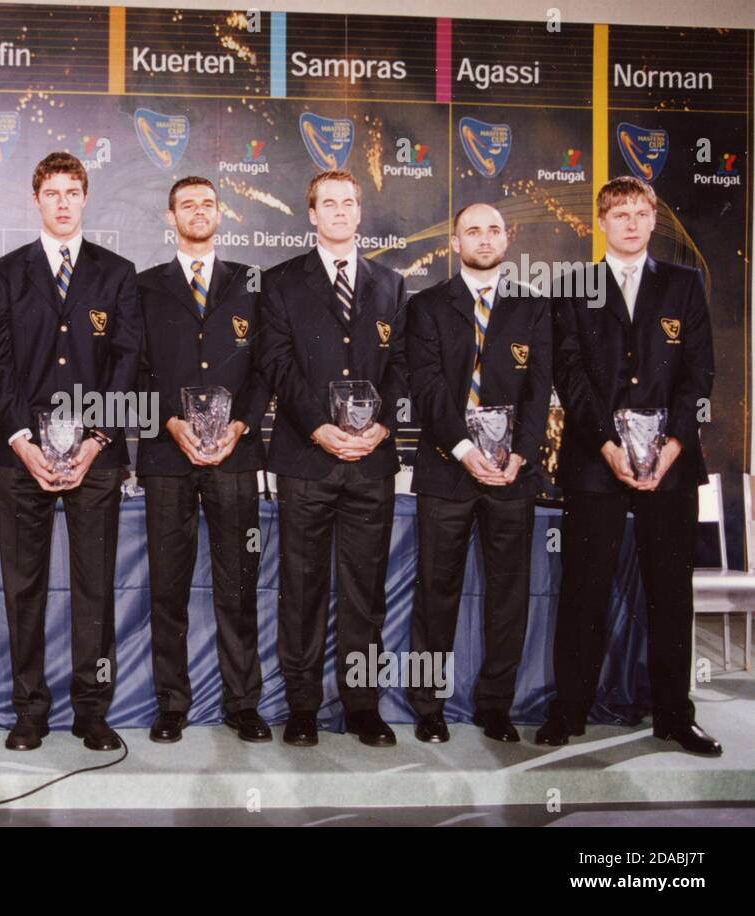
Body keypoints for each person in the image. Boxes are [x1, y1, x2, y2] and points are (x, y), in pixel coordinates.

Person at [537, 176, 720, 755]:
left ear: (653, 220)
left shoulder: (685, 286)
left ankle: (674, 715)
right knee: (585, 588)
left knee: (670, 592)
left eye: (642, 213)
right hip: (597, 464)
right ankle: (569, 710)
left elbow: (700, 376)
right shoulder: (573, 286)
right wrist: (608, 446)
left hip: (671, 465)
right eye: (620, 214)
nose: (632, 224)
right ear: (601, 222)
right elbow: (569, 376)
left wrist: (671, 448)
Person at [0, 152, 141, 751]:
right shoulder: (4, 272)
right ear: (36, 199)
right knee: (25, 588)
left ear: (85, 196)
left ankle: (92, 711)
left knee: (94, 586)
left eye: (73, 191)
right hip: (23, 457)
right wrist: (23, 441)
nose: (64, 201)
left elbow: (127, 360)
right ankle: (29, 711)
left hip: (95, 459)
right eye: (52, 192)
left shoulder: (117, 271)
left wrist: (98, 440)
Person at [257, 169, 408, 747]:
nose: (341, 210)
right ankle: (302, 707)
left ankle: (361, 708)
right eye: (329, 203)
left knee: (365, 592)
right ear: (312, 214)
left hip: (371, 462)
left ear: (359, 212)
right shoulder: (280, 283)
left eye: (350, 201)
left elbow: (403, 369)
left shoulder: (392, 285)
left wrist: (381, 427)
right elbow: (276, 365)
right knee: (301, 587)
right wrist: (320, 428)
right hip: (305, 459)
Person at [405, 203, 551, 744]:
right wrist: (466, 451)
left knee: (508, 595)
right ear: (456, 241)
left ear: (507, 239)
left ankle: (496, 707)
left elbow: (540, 393)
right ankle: (428, 707)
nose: (484, 239)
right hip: (446, 473)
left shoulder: (533, 308)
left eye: (493, 230)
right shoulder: (426, 306)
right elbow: (427, 389)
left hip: (512, 475)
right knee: (435, 594)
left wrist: (521, 455)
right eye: (473, 231)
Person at [136, 176, 271, 744]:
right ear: (170, 216)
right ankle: (172, 704)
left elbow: (269, 366)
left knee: (237, 584)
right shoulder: (141, 287)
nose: (198, 212)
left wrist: (241, 423)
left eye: (207, 204)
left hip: (235, 457)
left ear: (222, 213)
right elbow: (133, 369)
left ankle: (242, 703)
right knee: (167, 585)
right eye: (187, 205)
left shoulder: (254, 284)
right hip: (168, 456)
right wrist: (171, 421)